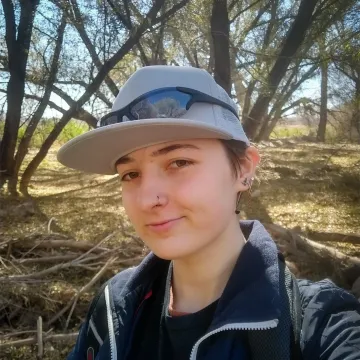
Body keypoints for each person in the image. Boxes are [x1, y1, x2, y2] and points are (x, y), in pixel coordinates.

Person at [58, 66, 360, 360]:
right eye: (130, 174)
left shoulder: (318, 324)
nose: (148, 199)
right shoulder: (114, 308)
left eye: (179, 163)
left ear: (243, 168)